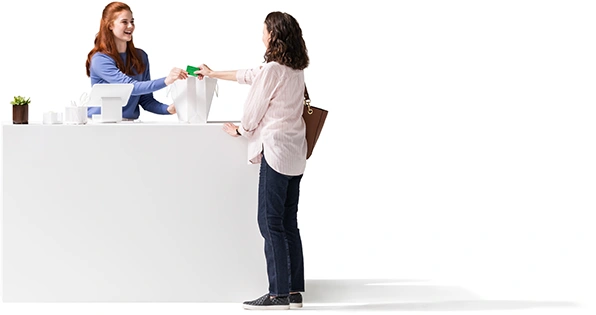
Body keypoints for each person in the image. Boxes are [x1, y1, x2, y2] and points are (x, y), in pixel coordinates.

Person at [196, 11, 309, 311]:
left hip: (275, 150)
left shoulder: (273, 70)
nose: (261, 35)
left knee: (269, 221)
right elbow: (247, 75)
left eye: (264, 31)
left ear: (273, 35)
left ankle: (277, 295)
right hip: (296, 152)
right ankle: (294, 291)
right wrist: (213, 73)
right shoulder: (294, 70)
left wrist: (241, 130)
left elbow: (253, 109)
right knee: (288, 222)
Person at [85, 1, 188, 120]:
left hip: (129, 125)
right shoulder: (100, 59)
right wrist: (166, 80)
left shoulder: (140, 57)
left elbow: (145, 99)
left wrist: (167, 109)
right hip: (100, 125)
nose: (130, 26)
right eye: (124, 22)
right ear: (110, 25)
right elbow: (130, 87)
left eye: (132, 22)